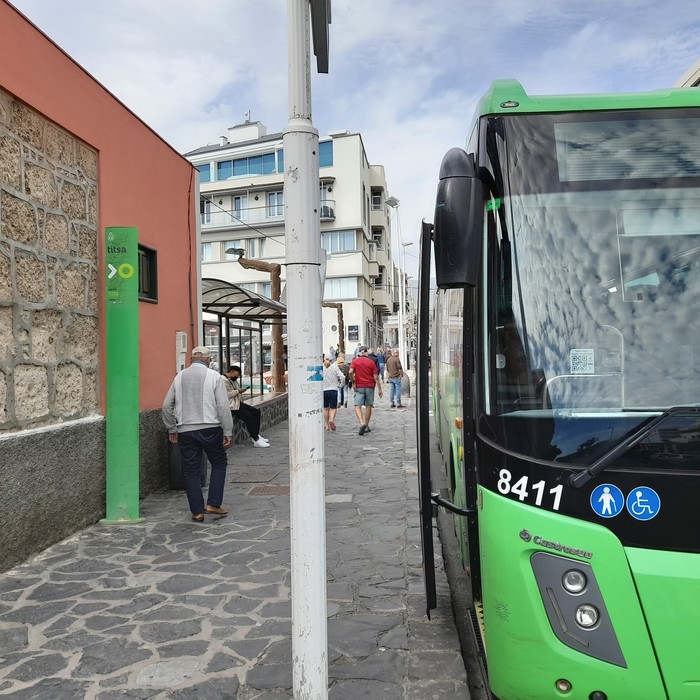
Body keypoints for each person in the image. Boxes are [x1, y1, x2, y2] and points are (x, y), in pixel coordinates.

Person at [162, 346, 234, 522]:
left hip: (186, 430)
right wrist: (228, 430)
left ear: (191, 360)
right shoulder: (214, 376)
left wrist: (172, 428)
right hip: (210, 428)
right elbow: (223, 406)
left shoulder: (179, 377)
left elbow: (166, 405)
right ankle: (213, 504)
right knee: (218, 463)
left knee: (191, 470)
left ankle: (197, 511)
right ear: (208, 360)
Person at [223, 366, 270, 448]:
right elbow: (226, 395)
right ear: (231, 371)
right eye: (236, 375)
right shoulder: (223, 380)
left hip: (237, 403)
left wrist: (240, 390)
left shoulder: (233, 380)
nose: (237, 377)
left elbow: (236, 390)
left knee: (256, 412)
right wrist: (238, 391)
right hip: (231, 405)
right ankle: (256, 439)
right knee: (248, 417)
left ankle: (256, 435)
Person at [349, 345, 383, 435]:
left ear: (359, 353)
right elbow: (376, 377)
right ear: (366, 352)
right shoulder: (371, 362)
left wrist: (353, 381)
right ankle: (367, 426)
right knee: (368, 405)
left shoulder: (355, 361)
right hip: (370, 386)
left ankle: (361, 423)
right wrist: (380, 389)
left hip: (359, 386)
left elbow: (350, 371)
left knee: (357, 406)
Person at [322, 355, 345, 431]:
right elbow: (342, 377)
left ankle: (326, 425)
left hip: (323, 390)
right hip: (333, 390)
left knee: (325, 408)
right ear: (332, 360)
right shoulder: (334, 367)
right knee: (333, 408)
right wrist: (341, 385)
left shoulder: (321, 367)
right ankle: (331, 419)